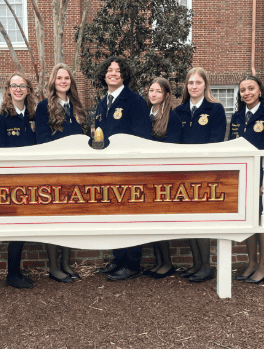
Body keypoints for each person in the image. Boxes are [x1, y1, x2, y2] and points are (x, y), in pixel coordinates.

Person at [93, 56, 152, 281]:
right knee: (113, 217)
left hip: (129, 170)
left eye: (118, 70)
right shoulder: (101, 103)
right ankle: (118, 259)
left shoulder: (134, 101)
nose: (113, 73)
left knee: (131, 216)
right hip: (107, 170)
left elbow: (142, 137)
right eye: (109, 70)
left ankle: (132, 264)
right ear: (104, 75)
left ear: (124, 75)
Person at [35, 63, 89, 283]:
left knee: (70, 218)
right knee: (53, 218)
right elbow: (42, 140)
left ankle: (66, 263)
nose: (63, 82)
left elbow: (85, 137)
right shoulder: (43, 107)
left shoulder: (77, 107)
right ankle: (54, 267)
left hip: (75, 171)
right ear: (53, 82)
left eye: (67, 78)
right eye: (59, 78)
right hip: (53, 171)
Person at [174, 67, 227, 283]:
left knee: (203, 220)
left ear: (205, 85)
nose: (194, 86)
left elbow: (216, 142)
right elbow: (175, 144)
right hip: (184, 175)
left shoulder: (215, 110)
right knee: (189, 221)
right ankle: (196, 265)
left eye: (198, 83)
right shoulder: (179, 112)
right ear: (186, 86)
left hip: (205, 174)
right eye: (190, 83)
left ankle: (206, 267)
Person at [229, 75, 264, 284]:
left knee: (262, 220)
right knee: (248, 221)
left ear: (260, 91)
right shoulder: (236, 117)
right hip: (242, 177)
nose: (247, 93)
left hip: (262, 179)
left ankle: (263, 267)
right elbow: (231, 149)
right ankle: (251, 263)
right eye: (243, 90)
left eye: (251, 88)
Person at [0, 72, 37, 289]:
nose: (18, 89)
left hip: (34, 180)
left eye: (22, 86)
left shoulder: (34, 117)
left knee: (26, 227)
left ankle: (16, 272)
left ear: (28, 90)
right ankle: (13, 274)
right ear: (8, 89)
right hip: (13, 182)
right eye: (14, 85)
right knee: (17, 228)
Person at [143, 77, 182, 279]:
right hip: (145, 174)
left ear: (166, 94)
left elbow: (172, 147)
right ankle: (159, 261)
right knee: (151, 221)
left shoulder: (172, 118)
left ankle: (167, 263)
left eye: (158, 91)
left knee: (161, 220)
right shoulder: (145, 115)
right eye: (151, 90)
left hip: (163, 174)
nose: (154, 94)